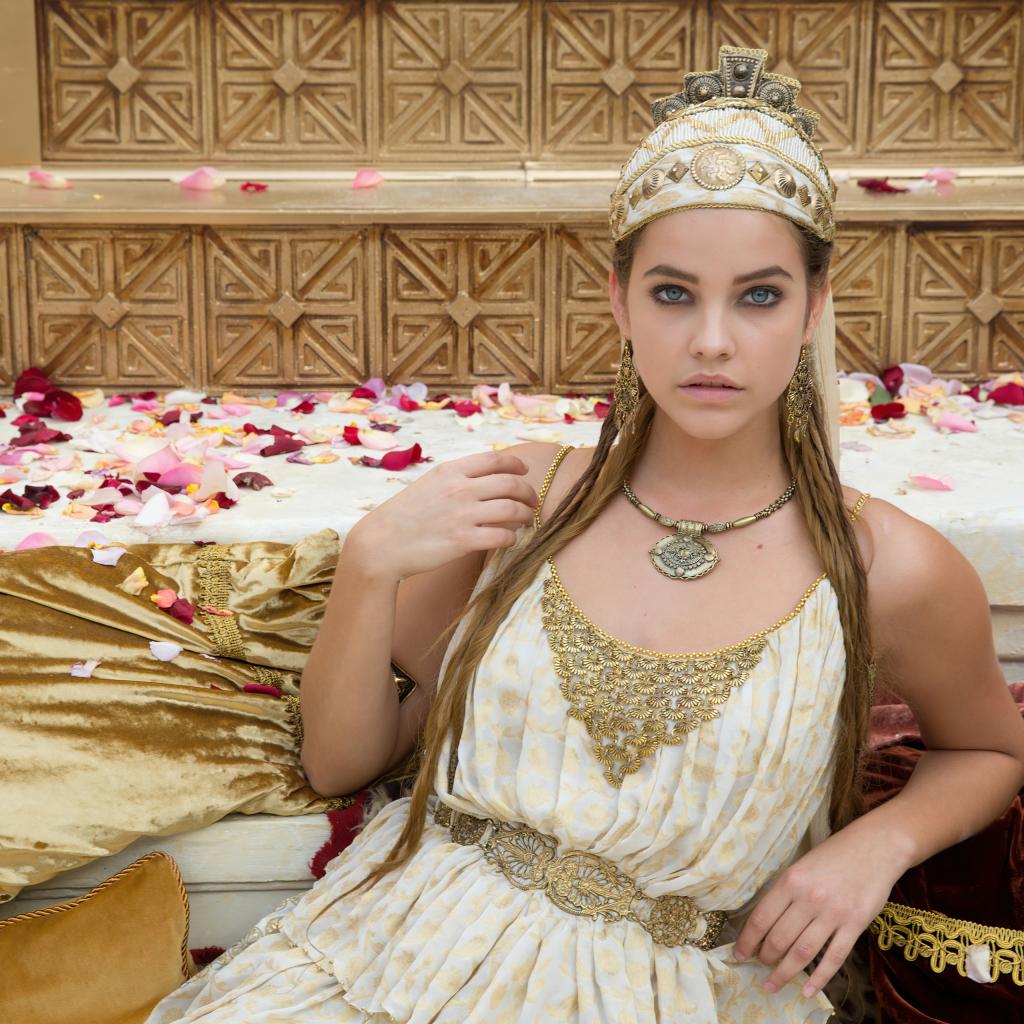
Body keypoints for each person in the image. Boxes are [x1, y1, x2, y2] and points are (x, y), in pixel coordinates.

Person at [146, 45, 1024, 1023]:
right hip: (394, 954)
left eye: (760, 295)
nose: (712, 340)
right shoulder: (521, 498)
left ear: (814, 305)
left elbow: (987, 751)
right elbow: (343, 763)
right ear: (619, 299)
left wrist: (876, 845)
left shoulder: (887, 566)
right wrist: (369, 566)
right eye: (673, 292)